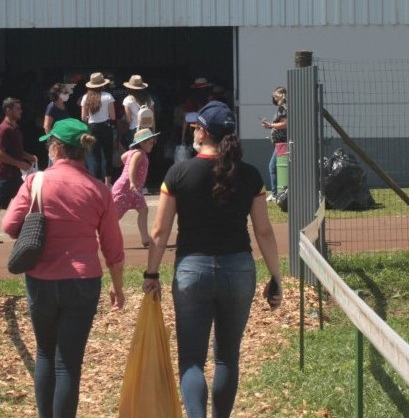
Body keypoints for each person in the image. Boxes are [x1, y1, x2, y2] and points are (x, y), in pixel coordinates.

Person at [143, 101, 283, 418]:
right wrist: (276, 278)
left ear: (204, 132)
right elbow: (263, 231)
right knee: (226, 358)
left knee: (192, 360)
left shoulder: (179, 173)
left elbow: (159, 229)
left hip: (192, 272)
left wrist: (151, 274)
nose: (193, 129)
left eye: (195, 126)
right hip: (238, 270)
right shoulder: (250, 175)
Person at [3, 118, 125, 418]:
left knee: (45, 353)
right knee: (68, 363)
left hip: (42, 278)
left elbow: (8, 226)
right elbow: (113, 248)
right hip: (84, 281)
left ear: (56, 148)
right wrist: (118, 287)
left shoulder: (36, 181)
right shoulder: (98, 190)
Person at [0, 97, 36, 245]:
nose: (21, 111)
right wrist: (19, 163)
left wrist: (27, 156)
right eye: (17, 108)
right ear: (8, 110)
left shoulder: (14, 128)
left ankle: (20, 231)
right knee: (1, 202)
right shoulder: (4, 128)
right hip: (5, 174)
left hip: (12, 173)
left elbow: (14, 150)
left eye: (20, 108)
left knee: (24, 200)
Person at [111, 127, 158, 248]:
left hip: (135, 189)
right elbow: (132, 166)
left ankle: (145, 238)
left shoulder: (133, 152)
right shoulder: (139, 153)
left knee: (143, 210)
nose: (152, 145)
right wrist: (132, 182)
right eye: (150, 143)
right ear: (142, 143)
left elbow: (123, 158)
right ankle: (106, 236)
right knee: (115, 215)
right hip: (126, 188)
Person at [80, 72, 117, 184]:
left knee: (96, 157)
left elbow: (83, 117)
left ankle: (97, 182)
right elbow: (113, 116)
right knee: (107, 156)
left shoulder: (85, 97)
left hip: (92, 127)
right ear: (102, 84)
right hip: (106, 126)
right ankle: (107, 182)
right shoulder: (108, 96)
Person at [261, 86, 288, 201]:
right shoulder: (282, 108)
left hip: (282, 142)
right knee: (277, 167)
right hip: (280, 143)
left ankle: (276, 193)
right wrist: (270, 126)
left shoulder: (282, 108)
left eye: (275, 95)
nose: (273, 97)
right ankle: (277, 192)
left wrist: (271, 125)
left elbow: (285, 124)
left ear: (280, 95)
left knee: (272, 167)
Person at [121, 75, 155, 147]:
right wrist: (153, 133)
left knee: (135, 152)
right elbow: (153, 119)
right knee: (145, 153)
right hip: (148, 130)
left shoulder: (128, 100)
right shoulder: (149, 99)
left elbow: (128, 120)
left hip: (134, 130)